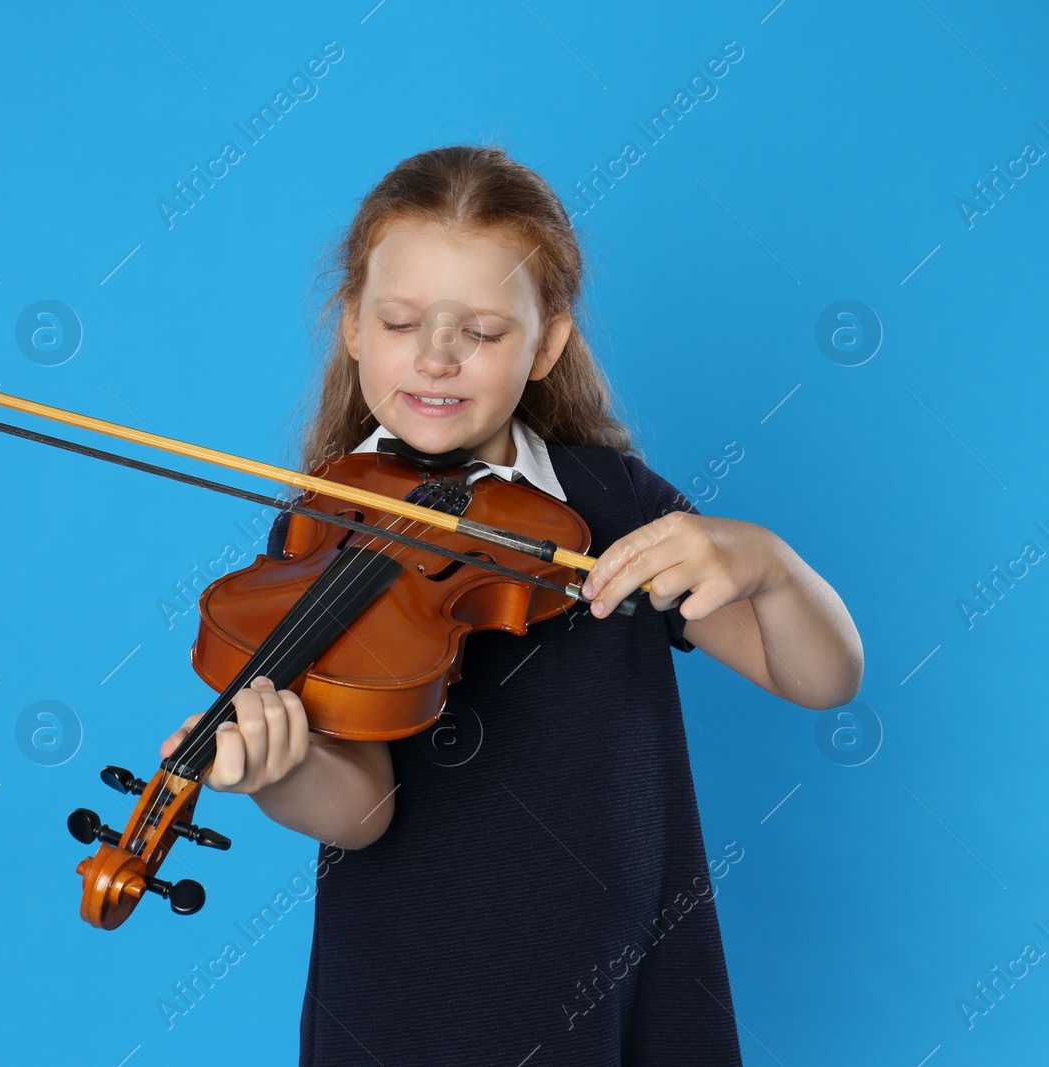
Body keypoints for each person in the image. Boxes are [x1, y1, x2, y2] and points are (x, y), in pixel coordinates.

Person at [159, 144, 862, 1065]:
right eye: (403, 321)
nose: (439, 357)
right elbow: (362, 806)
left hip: (623, 965)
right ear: (354, 327)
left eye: (483, 333)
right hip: (417, 991)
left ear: (548, 343)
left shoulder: (609, 503)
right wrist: (280, 772)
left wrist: (766, 563)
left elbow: (818, 677)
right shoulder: (326, 527)